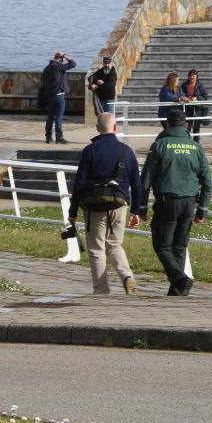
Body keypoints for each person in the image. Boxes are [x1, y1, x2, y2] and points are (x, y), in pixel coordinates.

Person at [139, 109, 212, 296]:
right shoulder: (196, 148)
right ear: (186, 125)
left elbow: (145, 180)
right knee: (180, 246)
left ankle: (180, 279)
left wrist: (141, 208)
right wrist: (202, 210)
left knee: (162, 245)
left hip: (167, 202)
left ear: (167, 124)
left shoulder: (159, 146)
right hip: (189, 203)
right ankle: (178, 290)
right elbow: (208, 182)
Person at [68, 112, 142, 295]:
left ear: (97, 129)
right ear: (115, 128)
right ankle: (126, 276)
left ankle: (101, 290)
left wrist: (73, 210)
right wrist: (136, 211)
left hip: (95, 207)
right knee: (115, 245)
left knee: (96, 248)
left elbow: (79, 183)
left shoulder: (90, 150)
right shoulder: (127, 151)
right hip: (119, 204)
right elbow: (137, 184)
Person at [40, 51, 76, 144]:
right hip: (59, 96)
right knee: (59, 117)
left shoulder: (46, 68)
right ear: (60, 58)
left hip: (49, 96)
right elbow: (73, 64)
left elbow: (42, 81)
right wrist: (65, 56)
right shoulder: (58, 66)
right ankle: (59, 138)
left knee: (50, 116)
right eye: (62, 59)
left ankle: (48, 137)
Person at [180, 69, 209, 143]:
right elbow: (181, 95)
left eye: (193, 76)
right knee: (187, 128)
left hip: (197, 110)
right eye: (190, 76)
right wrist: (186, 98)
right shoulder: (184, 85)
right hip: (187, 109)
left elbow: (205, 96)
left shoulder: (200, 85)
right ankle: (187, 143)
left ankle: (196, 145)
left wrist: (197, 98)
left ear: (196, 77)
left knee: (196, 129)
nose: (192, 77)